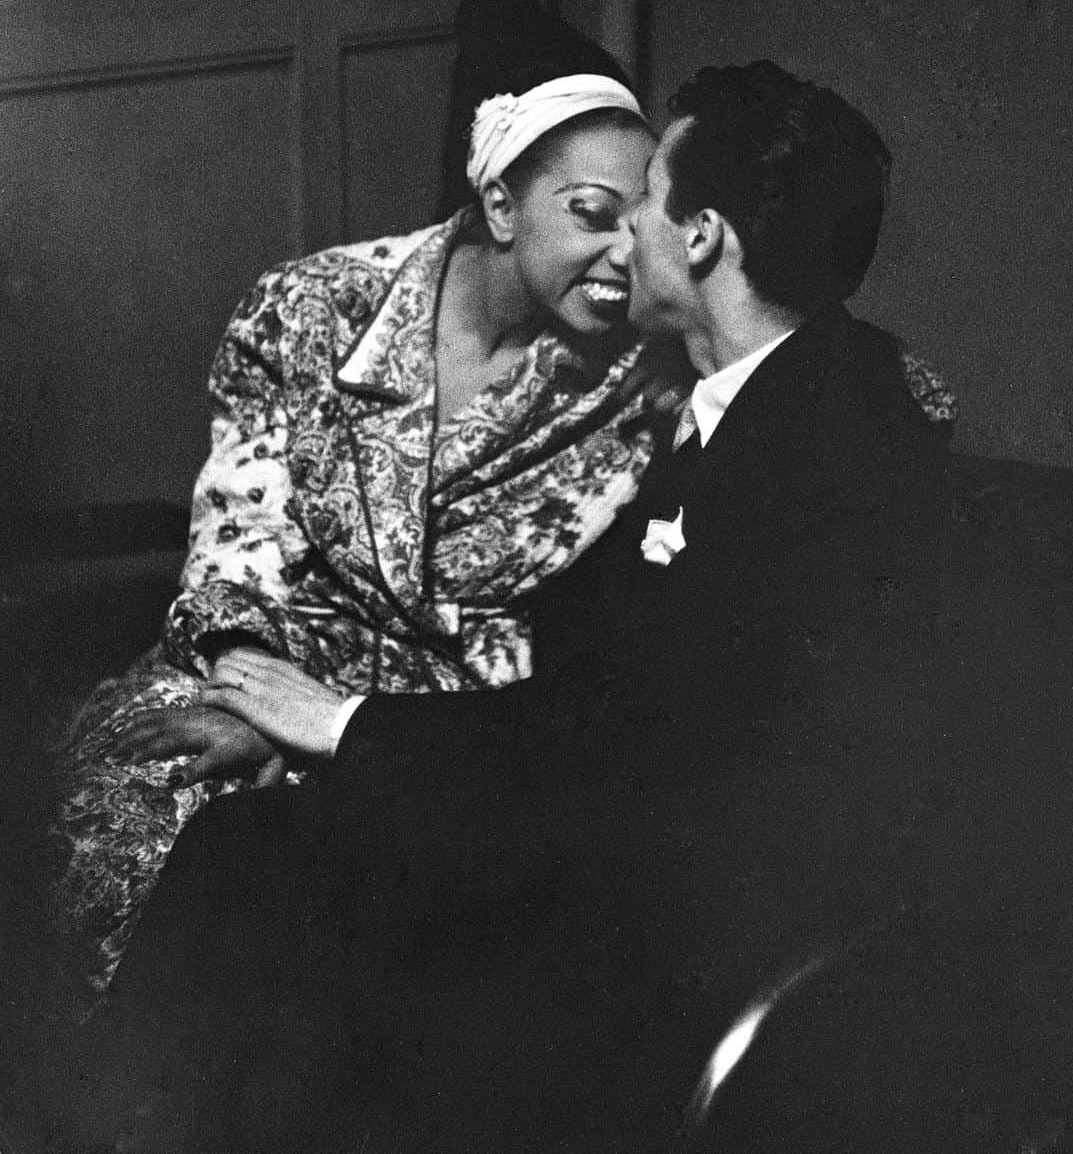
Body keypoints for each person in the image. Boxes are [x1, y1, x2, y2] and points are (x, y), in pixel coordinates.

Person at [47, 61, 1017, 1154]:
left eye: (643, 201)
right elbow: (607, 684)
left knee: (270, 896)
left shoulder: (828, 431)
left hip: (681, 912)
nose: (625, 238)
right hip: (606, 817)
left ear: (699, 238)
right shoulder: (757, 393)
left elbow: (644, 742)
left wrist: (341, 725)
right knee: (246, 859)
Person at [48, 0, 662, 1000]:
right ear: (500, 204)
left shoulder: (643, 379)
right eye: (592, 216)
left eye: (641, 224)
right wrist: (254, 699)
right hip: (257, 663)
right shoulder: (311, 304)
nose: (622, 255)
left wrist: (344, 731)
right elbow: (239, 531)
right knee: (144, 830)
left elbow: (830, 376)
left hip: (437, 736)